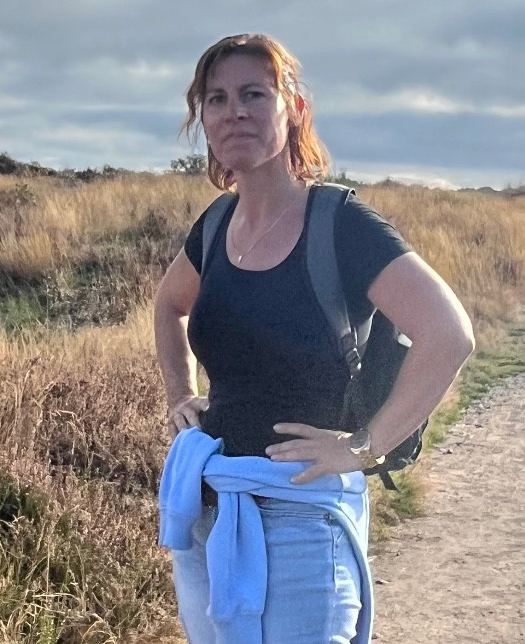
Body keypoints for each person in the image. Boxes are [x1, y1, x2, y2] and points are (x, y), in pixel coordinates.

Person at [154, 33, 474, 644]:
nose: (234, 111)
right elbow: (169, 307)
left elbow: (448, 334)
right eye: (217, 99)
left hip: (304, 517)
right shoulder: (216, 224)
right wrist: (179, 391)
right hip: (211, 511)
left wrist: (364, 447)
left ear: (293, 108)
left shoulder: (341, 225)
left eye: (254, 94)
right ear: (204, 120)